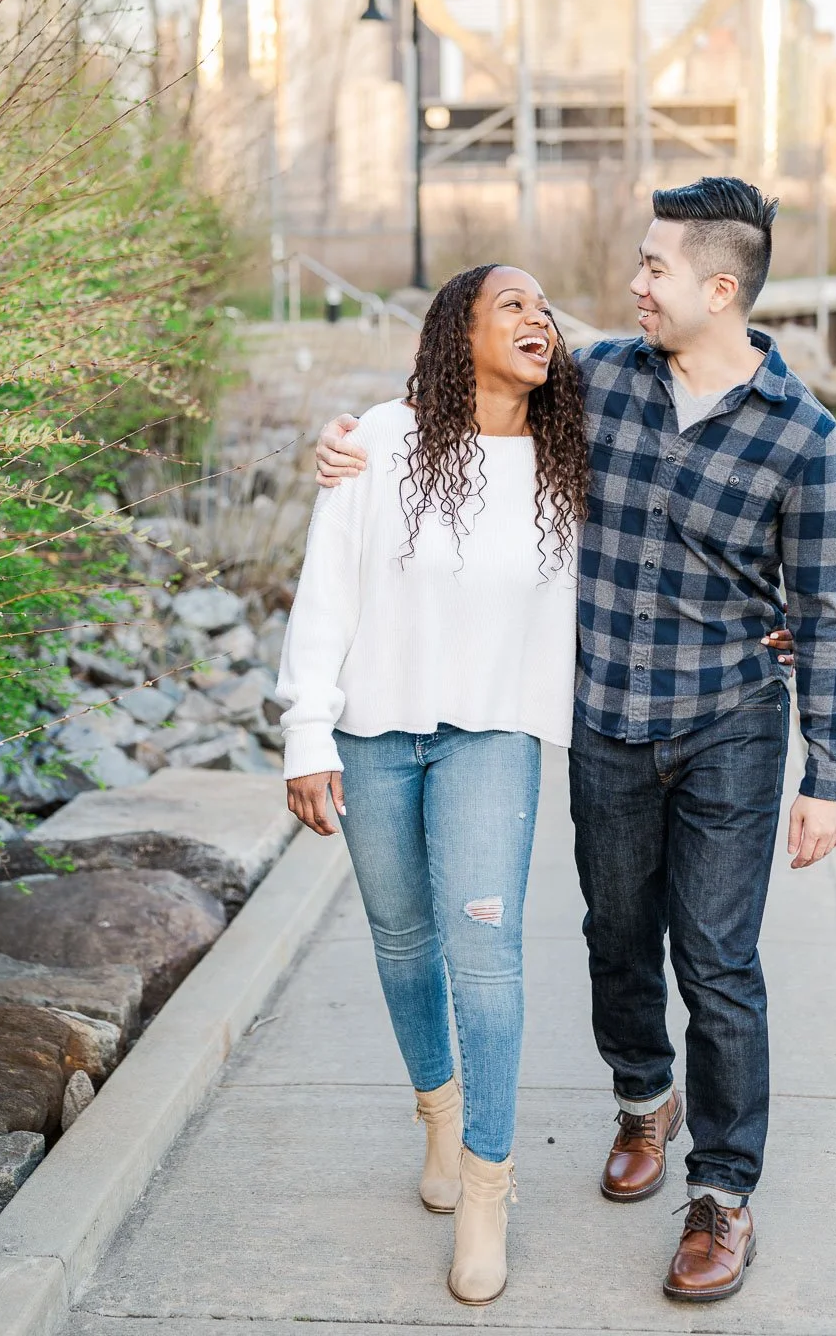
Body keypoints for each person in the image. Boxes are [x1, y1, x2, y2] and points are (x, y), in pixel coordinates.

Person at [314, 176, 836, 1304]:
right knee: (615, 933)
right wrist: (353, 445)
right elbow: (466, 380)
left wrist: (831, 773)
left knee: (716, 955)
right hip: (606, 713)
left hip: (732, 726)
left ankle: (723, 1192)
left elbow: (829, 611)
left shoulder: (806, 439)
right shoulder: (602, 379)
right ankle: (641, 1096)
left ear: (721, 286)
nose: (632, 285)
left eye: (653, 268)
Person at [278, 264, 587, 1306]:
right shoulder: (383, 440)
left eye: (547, 308)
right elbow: (329, 591)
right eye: (513, 303)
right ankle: (441, 1123)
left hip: (495, 737)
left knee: (486, 958)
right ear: (459, 329)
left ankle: (491, 1187)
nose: (537, 318)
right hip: (372, 733)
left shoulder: (569, 461)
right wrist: (304, 731)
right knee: (404, 940)